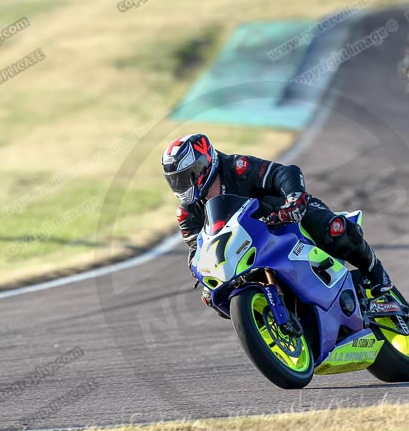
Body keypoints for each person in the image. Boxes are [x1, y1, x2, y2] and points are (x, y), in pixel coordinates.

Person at [162, 134, 393, 313]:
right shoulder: (187, 214)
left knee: (334, 229)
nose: (182, 185)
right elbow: (197, 249)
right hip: (245, 251)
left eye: (186, 176)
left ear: (204, 165)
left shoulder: (237, 167)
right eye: (176, 181)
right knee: (213, 297)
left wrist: (294, 199)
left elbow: (282, 173)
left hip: (283, 219)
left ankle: (375, 272)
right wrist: (200, 270)